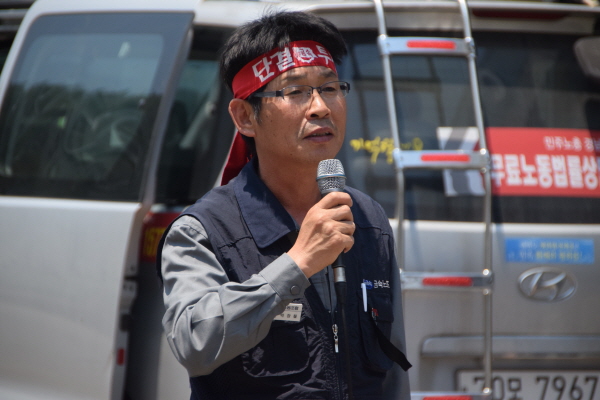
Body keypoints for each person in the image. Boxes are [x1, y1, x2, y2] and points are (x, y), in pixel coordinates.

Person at [158, 10, 411, 400]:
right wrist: (298, 263)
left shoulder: (368, 219)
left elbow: (392, 371)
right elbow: (194, 343)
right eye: (295, 92)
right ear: (245, 116)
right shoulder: (203, 231)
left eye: (330, 87)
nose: (320, 107)